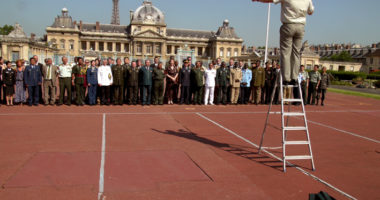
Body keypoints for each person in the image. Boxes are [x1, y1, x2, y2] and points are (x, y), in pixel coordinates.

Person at [253, 0, 314, 84]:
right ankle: (295, 77)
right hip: (301, 27)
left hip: (288, 25)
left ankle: (286, 78)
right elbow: (311, 12)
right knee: (296, 53)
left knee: (286, 52)